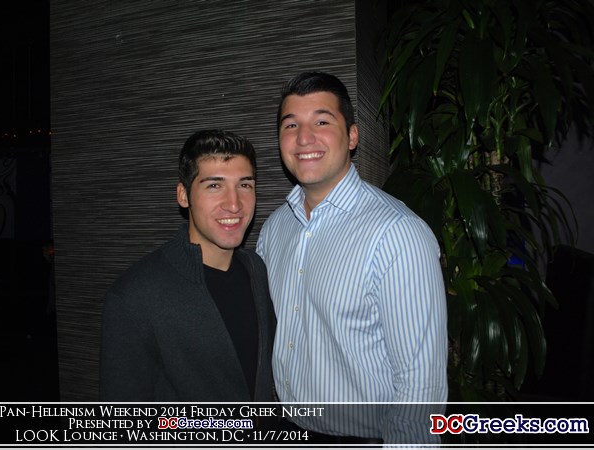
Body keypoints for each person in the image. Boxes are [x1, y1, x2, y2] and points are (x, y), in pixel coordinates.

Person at [256, 72, 448, 444]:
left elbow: (421, 386)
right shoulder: (274, 229)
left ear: (353, 136)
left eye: (322, 122)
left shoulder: (398, 233)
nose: (304, 138)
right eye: (291, 125)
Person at [100, 129, 275, 402]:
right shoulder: (134, 295)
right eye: (214, 186)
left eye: (244, 185)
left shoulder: (257, 270)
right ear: (183, 195)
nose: (234, 204)